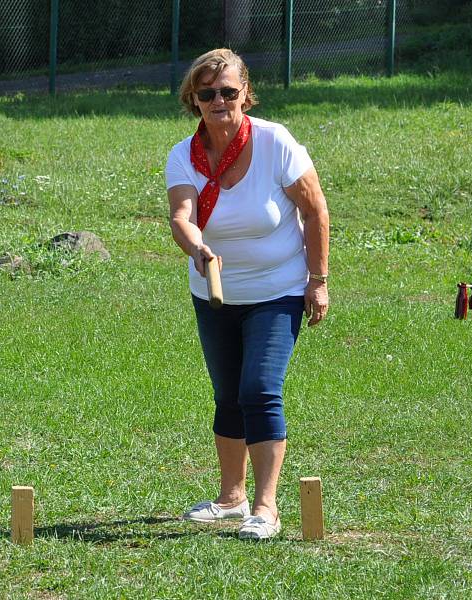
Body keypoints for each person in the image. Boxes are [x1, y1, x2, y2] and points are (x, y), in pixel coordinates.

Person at [166, 48, 329, 540]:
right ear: (195, 100)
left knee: (259, 388)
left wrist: (317, 281)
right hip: (214, 292)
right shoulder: (184, 154)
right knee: (227, 394)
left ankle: (266, 507)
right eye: (208, 93)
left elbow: (316, 209)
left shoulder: (275, 142)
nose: (219, 101)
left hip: (277, 289)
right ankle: (231, 497)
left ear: (246, 95)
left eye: (228, 92)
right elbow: (181, 217)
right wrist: (196, 246)